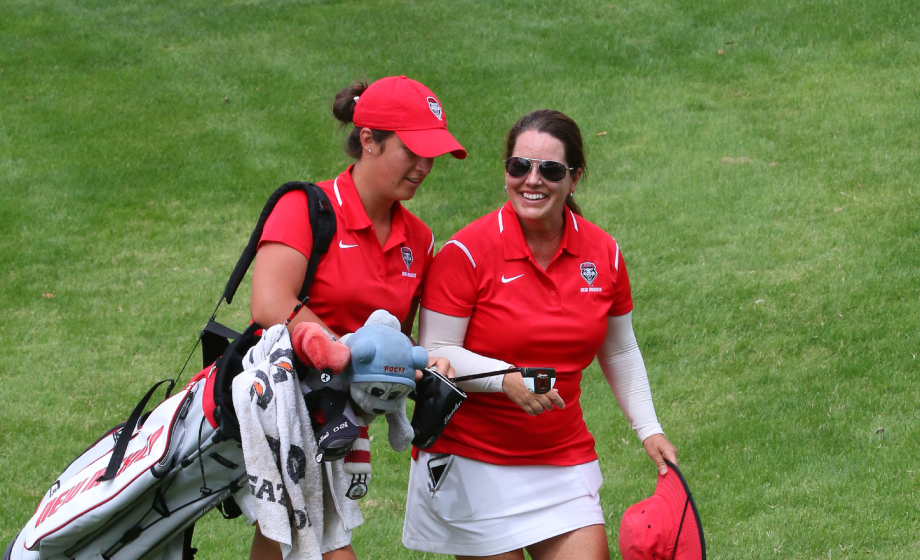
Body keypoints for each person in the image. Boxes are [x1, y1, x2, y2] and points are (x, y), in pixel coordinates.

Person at [401, 109, 678, 560]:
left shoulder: (603, 255)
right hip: (473, 460)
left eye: (550, 170)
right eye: (519, 166)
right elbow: (435, 351)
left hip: (561, 457)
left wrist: (649, 429)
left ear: (574, 178)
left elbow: (621, 348)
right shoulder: (466, 253)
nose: (532, 180)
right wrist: (505, 378)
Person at [247, 75, 462, 560]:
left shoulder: (420, 240)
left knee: (284, 535)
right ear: (369, 140)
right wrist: (347, 353)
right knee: (314, 538)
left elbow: (399, 337)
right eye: (413, 152)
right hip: (281, 404)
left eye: (433, 156)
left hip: (341, 421)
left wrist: (428, 366)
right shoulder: (304, 207)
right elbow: (268, 302)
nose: (425, 167)